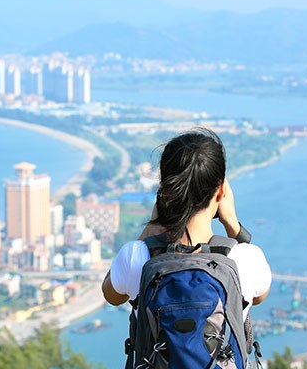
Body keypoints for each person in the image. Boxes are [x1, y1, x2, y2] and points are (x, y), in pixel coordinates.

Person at [102, 127, 271, 313]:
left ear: (164, 191)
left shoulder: (135, 256)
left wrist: (151, 228)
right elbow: (258, 297)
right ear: (221, 192)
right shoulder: (247, 259)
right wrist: (231, 223)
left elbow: (111, 295)